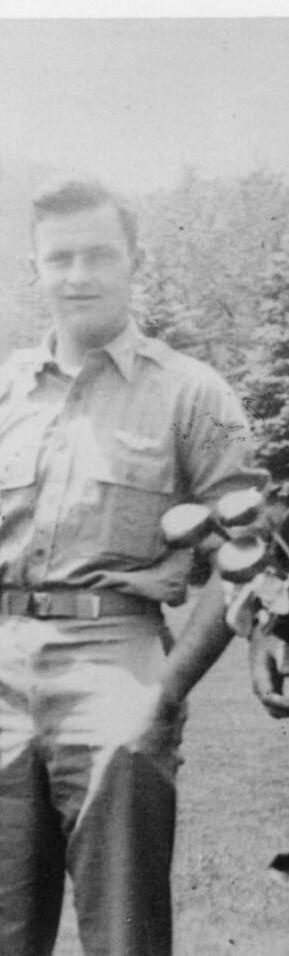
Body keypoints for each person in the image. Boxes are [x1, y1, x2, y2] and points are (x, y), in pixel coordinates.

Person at [0, 176, 254, 956]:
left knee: (123, 932)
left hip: (119, 663)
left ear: (135, 261)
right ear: (35, 268)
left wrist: (167, 689)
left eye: (98, 255)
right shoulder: (5, 389)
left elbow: (243, 554)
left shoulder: (190, 394)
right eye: (59, 258)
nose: (78, 275)